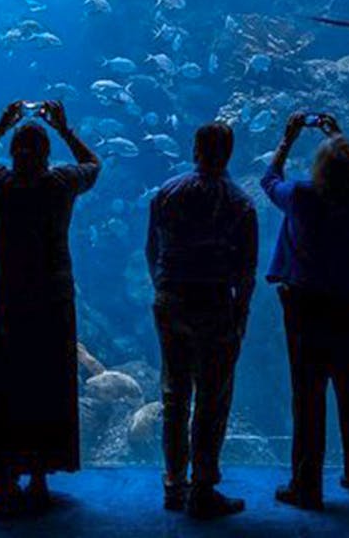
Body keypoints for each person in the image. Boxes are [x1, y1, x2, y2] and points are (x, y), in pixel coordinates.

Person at [0, 100, 100, 518]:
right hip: (54, 301)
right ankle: (39, 478)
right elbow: (93, 163)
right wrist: (63, 126)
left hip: (7, 302)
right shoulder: (60, 184)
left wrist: (0, 125)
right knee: (48, 385)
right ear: (46, 155)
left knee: (2, 386)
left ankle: (4, 483)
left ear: (13, 152)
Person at [262, 112, 349, 510]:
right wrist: (338, 136)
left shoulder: (301, 196)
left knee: (308, 395)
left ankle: (306, 485)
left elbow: (269, 181)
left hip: (308, 304)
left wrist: (288, 138)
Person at [146, 122, 257, 519]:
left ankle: (174, 483)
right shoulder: (240, 203)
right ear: (229, 153)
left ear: (194, 148)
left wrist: (163, 288)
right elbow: (246, 271)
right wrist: (240, 315)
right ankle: (204, 487)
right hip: (214, 304)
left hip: (171, 297)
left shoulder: (166, 193)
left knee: (175, 394)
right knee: (213, 397)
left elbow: (152, 249)